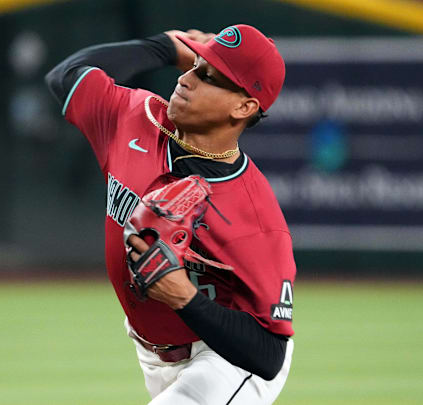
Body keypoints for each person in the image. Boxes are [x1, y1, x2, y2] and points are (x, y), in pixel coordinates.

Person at [46, 24, 297, 405]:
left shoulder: (254, 216)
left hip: (227, 361)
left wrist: (185, 298)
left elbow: (268, 353)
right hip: (153, 354)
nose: (187, 79)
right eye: (196, 64)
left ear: (243, 106)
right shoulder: (135, 117)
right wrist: (161, 47)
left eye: (209, 76)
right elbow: (65, 77)